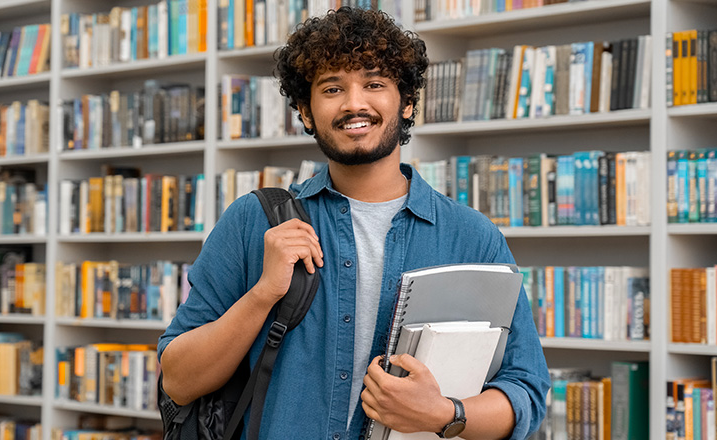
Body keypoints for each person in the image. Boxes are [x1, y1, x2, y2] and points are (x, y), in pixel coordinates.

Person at [158, 7, 549, 439]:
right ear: (306, 113)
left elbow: (525, 393)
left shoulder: (473, 237)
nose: (354, 103)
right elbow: (178, 380)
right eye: (331, 88)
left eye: (375, 84)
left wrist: (442, 413)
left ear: (407, 103)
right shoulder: (253, 221)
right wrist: (263, 294)